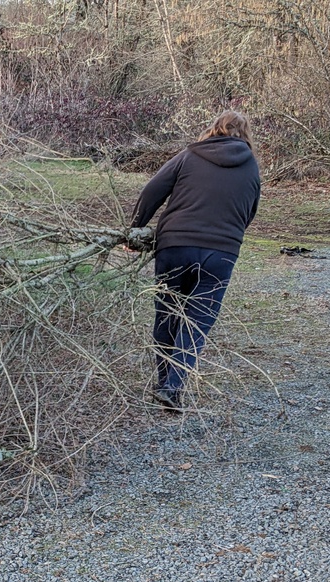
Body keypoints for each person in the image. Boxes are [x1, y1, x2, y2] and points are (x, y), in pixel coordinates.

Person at [127, 110, 260, 410]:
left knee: (168, 314)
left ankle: (163, 382)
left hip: (175, 246)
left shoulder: (189, 155)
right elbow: (249, 211)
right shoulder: (251, 167)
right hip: (220, 254)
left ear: (213, 128)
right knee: (197, 322)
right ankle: (173, 387)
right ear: (246, 135)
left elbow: (152, 190)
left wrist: (134, 231)